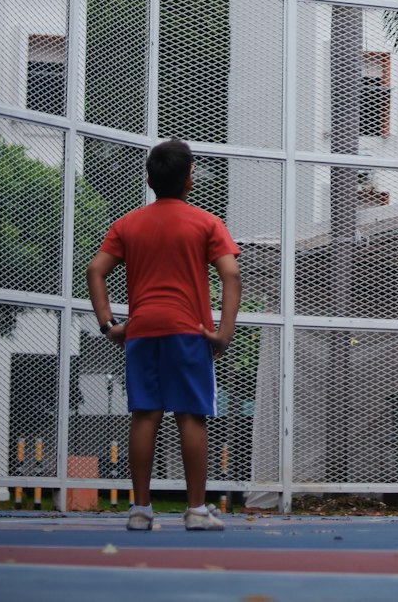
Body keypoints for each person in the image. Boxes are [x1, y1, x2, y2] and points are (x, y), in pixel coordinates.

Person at [86, 137, 242, 533]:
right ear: (190, 178)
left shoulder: (128, 223)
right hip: (188, 330)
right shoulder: (207, 223)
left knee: (144, 414)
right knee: (190, 415)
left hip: (141, 331)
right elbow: (232, 274)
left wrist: (109, 325)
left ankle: (140, 509)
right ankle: (194, 510)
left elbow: (95, 270)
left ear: (150, 180)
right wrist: (222, 333)